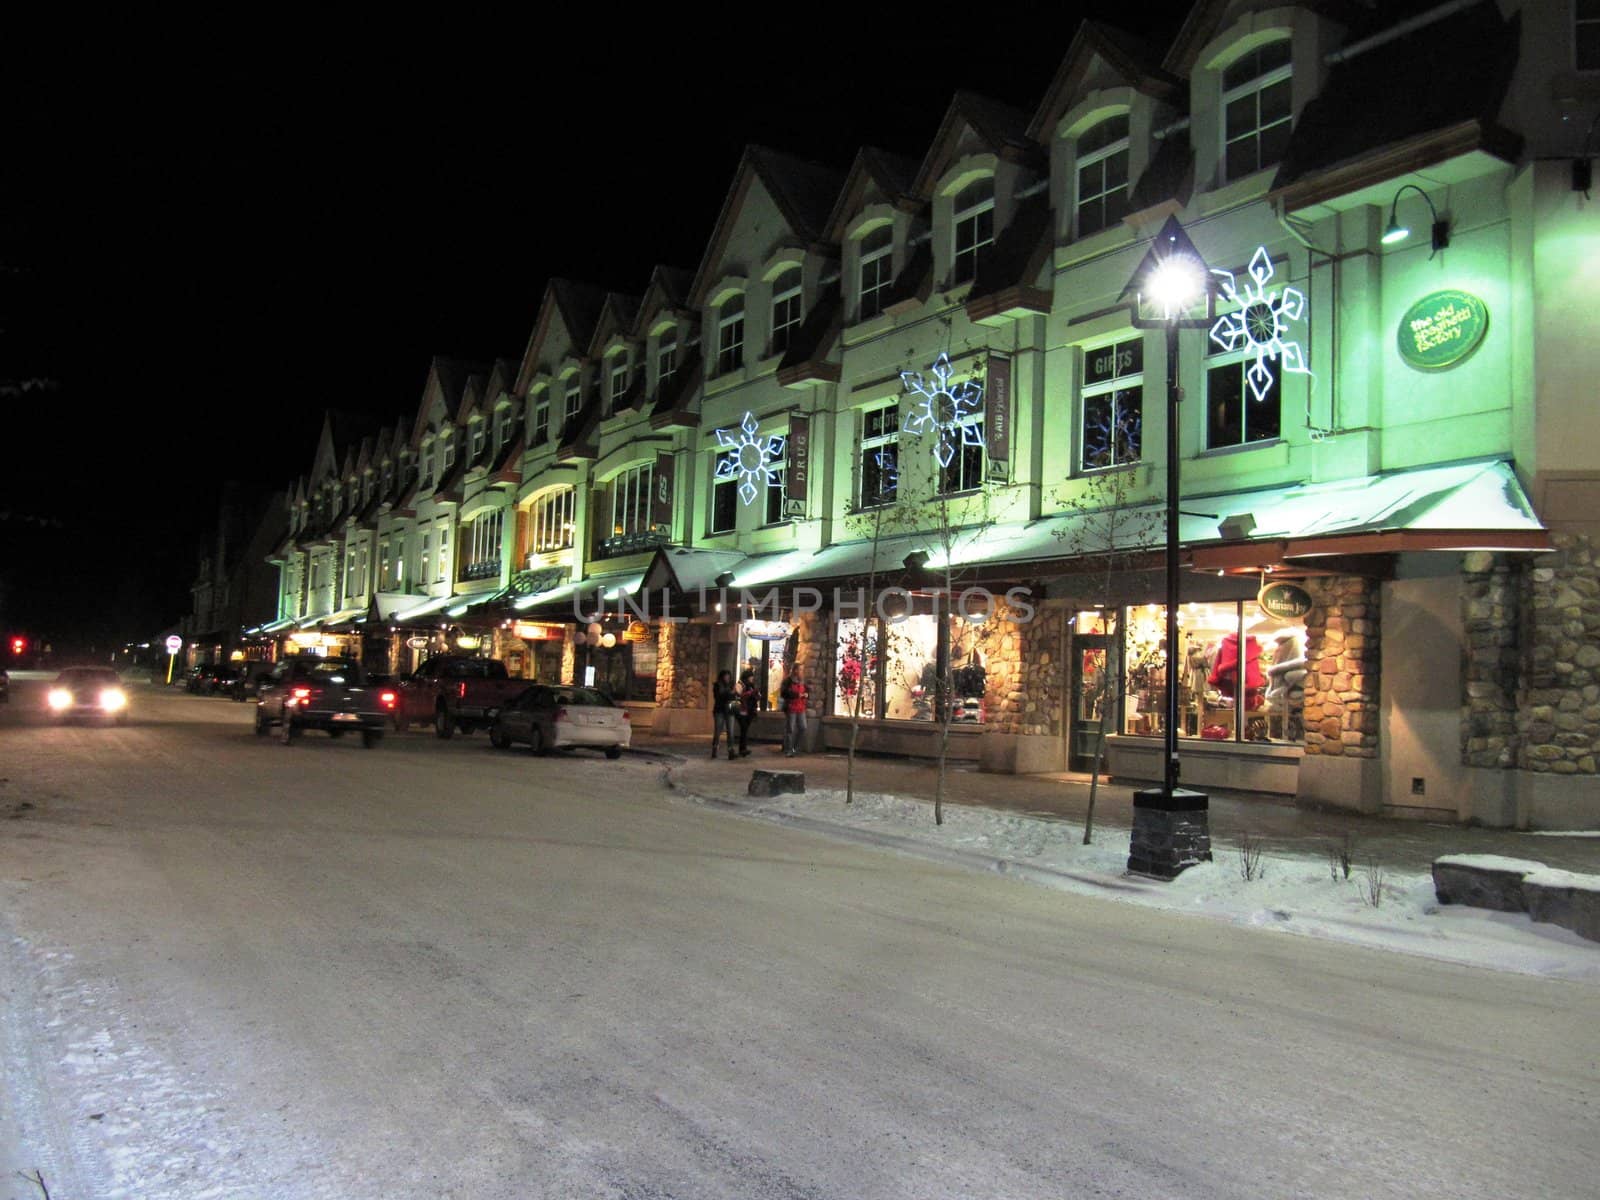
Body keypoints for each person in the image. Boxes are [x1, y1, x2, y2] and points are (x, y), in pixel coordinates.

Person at [780, 665, 808, 757]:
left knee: (803, 727)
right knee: (790, 729)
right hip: (791, 707)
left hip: (801, 707)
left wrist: (807, 694)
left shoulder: (802, 681)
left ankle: (795, 748)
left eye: (802, 670)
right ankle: (789, 749)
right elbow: (783, 693)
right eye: (800, 669)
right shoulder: (788, 681)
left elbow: (807, 690)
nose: (801, 671)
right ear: (795, 670)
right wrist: (796, 695)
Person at [710, 669, 736, 759]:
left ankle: (731, 750)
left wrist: (731, 693)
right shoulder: (717, 685)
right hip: (719, 710)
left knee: (731, 731)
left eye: (728, 676)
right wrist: (729, 693)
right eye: (725, 676)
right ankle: (715, 747)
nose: (727, 678)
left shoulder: (732, 685)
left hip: (729, 710)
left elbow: (733, 697)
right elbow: (718, 697)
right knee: (718, 731)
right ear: (722, 677)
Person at [735, 670, 758, 758]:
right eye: (751, 676)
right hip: (742, 709)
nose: (752, 678)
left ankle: (743, 749)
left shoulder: (751, 686)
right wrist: (750, 693)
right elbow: (738, 696)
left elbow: (755, 697)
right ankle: (742, 749)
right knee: (744, 728)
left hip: (749, 710)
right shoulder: (740, 684)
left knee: (745, 729)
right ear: (747, 677)